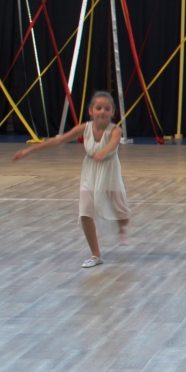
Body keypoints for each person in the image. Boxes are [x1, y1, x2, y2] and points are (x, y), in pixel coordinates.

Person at [13, 90, 130, 268]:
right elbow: (58, 141)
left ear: (112, 112)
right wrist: (29, 150)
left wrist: (103, 152)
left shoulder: (115, 130)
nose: (102, 112)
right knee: (85, 211)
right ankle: (95, 254)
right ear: (91, 111)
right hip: (90, 171)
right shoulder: (84, 128)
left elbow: (113, 143)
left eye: (107, 109)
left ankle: (122, 228)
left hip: (109, 171)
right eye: (98, 108)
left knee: (121, 212)